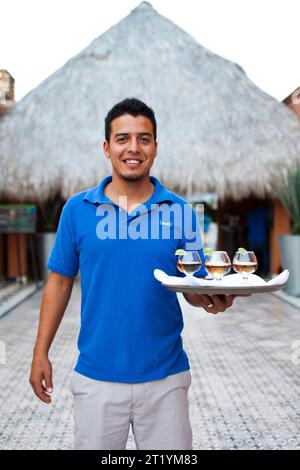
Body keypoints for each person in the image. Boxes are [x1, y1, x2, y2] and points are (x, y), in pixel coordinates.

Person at [29, 98, 240, 450]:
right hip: (96, 378)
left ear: (155, 147)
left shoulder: (182, 212)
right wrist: (40, 352)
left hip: (166, 379)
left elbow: (191, 284)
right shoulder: (77, 210)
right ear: (107, 147)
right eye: (123, 138)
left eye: (144, 138)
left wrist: (212, 300)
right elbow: (60, 281)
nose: (134, 148)